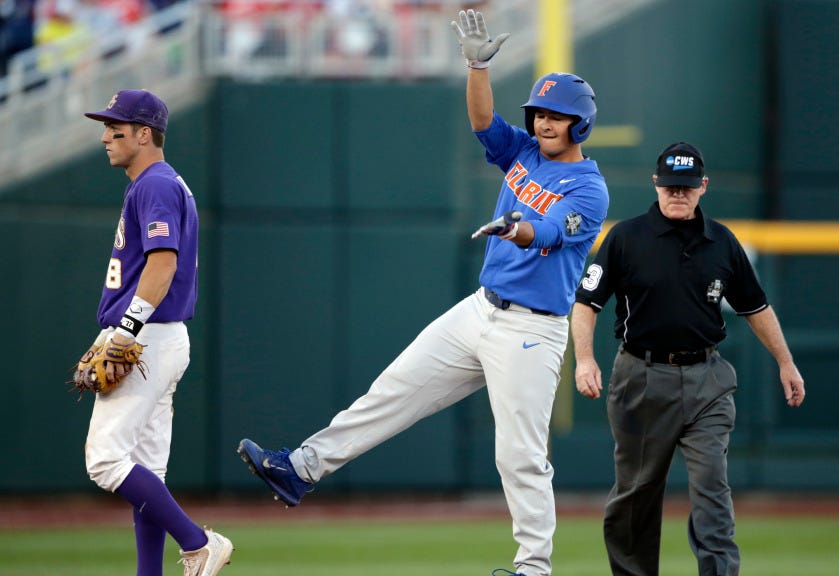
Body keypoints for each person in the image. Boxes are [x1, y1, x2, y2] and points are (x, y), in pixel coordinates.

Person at [237, 9, 608, 576]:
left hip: (533, 330)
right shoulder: (526, 152)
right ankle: (301, 469)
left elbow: (554, 232)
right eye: (540, 115)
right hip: (481, 309)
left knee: (520, 456)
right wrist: (478, 66)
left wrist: (517, 226)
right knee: (391, 391)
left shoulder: (589, 187)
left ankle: (534, 568)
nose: (544, 125)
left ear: (580, 125)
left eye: (558, 118)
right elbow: (484, 123)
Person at [572, 141, 806, 576]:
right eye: (671, 186)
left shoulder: (722, 241)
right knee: (636, 495)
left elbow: (756, 307)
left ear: (703, 187)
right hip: (640, 378)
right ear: (656, 184)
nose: (678, 194)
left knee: (712, 492)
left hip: (706, 379)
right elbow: (587, 302)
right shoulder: (625, 237)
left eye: (687, 186)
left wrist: (785, 362)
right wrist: (584, 360)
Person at [76, 89, 233, 576]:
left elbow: (163, 264)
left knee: (105, 462)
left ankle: (198, 542)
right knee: (149, 472)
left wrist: (126, 329)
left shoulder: (156, 184)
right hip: (161, 337)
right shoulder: (157, 182)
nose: (105, 137)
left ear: (144, 134)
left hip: (147, 335)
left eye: (116, 129)